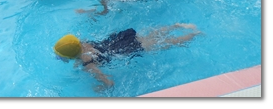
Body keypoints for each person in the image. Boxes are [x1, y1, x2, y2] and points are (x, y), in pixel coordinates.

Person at [54, 24, 202, 89]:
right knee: (150, 36)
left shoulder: (88, 65)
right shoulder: (83, 43)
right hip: (118, 40)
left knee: (162, 44)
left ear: (71, 55)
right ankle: (177, 26)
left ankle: (194, 35)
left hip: (123, 50)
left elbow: (110, 83)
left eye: (60, 57)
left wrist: (101, 87)